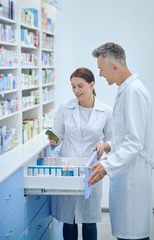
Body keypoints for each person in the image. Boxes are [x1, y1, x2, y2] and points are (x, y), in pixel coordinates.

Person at [89, 42, 154, 240]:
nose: (100, 75)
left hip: (132, 179)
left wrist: (107, 166)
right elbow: (126, 136)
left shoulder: (133, 92)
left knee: (132, 235)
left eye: (101, 69)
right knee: (126, 233)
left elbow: (134, 143)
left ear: (114, 67)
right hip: (126, 174)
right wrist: (109, 146)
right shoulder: (126, 89)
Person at [48, 67, 113, 240]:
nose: (76, 91)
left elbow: (113, 141)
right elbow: (58, 133)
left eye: (80, 86)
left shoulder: (105, 110)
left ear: (91, 85)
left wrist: (103, 145)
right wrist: (54, 140)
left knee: (89, 220)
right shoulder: (65, 107)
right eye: (73, 86)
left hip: (90, 169)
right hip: (68, 168)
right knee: (69, 220)